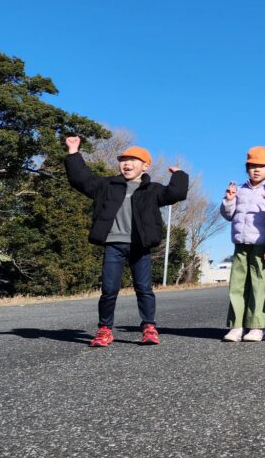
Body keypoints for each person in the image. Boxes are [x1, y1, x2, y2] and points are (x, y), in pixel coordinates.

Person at [64, 136, 189, 347]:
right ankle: (104, 329)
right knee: (109, 289)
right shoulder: (107, 185)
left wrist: (179, 175)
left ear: (145, 166)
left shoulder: (152, 190)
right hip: (113, 243)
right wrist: (73, 151)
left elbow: (175, 193)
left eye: (132, 160)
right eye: (123, 160)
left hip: (140, 245)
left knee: (144, 288)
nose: (127, 164)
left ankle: (149, 327)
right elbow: (81, 179)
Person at [220, 146, 265, 342]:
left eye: (261, 167)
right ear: (247, 169)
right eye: (252, 166)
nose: (256, 170)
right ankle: (236, 326)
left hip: (261, 246)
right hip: (240, 245)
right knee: (236, 286)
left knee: (259, 285)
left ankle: (257, 326)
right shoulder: (239, 189)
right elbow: (229, 215)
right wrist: (229, 200)